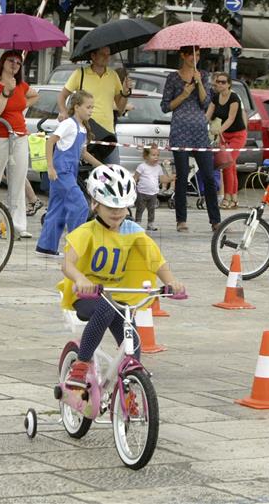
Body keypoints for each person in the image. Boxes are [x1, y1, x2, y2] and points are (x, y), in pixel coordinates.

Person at [58, 164, 183, 389]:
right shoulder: (87, 232)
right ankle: (82, 363)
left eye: (122, 207)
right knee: (107, 306)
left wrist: (171, 281)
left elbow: (156, 260)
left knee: (132, 342)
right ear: (95, 204)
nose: (117, 212)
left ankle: (129, 389)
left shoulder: (133, 231)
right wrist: (80, 279)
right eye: (110, 207)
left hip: (118, 297)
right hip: (87, 296)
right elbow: (67, 263)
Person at [35, 90, 102, 258]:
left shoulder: (82, 129)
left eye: (92, 108)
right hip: (61, 171)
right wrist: (50, 167)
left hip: (69, 172)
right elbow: (50, 141)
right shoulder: (68, 124)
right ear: (76, 107)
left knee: (57, 209)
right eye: (88, 107)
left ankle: (46, 247)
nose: (90, 111)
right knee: (80, 206)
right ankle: (75, 247)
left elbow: (83, 153)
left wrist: (102, 166)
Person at [0, 50, 40, 239]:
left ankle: (17, 225)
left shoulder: (21, 85)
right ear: (3, 62)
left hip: (20, 136)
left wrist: (22, 106)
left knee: (18, 180)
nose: (14, 64)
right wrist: (6, 92)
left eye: (18, 62)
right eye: (11, 61)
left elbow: (34, 95)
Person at [160, 45, 219, 233]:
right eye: (192, 54)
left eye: (198, 54)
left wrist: (200, 83)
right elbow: (165, 106)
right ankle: (181, 219)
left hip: (200, 131)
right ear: (183, 56)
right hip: (180, 130)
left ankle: (215, 220)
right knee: (183, 175)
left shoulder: (202, 75)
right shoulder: (173, 78)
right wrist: (184, 94)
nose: (196, 58)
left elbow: (206, 103)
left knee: (209, 176)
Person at [57, 46, 131, 165]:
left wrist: (126, 94)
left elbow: (121, 109)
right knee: (83, 173)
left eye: (108, 54)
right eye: (103, 54)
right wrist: (63, 112)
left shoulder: (113, 75)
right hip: (84, 131)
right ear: (93, 56)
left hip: (108, 133)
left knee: (112, 172)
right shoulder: (79, 74)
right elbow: (62, 96)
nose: (106, 58)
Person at [206, 71, 247, 209]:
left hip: (237, 135)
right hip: (224, 135)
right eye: (217, 81)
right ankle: (234, 198)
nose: (219, 84)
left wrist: (219, 130)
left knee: (227, 164)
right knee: (230, 166)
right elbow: (207, 115)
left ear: (229, 84)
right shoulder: (215, 97)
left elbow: (231, 118)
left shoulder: (234, 98)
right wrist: (200, 125)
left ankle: (227, 197)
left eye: (223, 82)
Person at [134, 146, 175, 231]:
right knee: (140, 208)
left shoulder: (158, 167)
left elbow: (162, 179)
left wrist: (170, 178)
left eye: (158, 155)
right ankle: (137, 223)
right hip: (142, 192)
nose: (156, 157)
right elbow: (135, 178)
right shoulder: (142, 166)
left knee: (151, 209)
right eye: (153, 155)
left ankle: (150, 224)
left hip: (153, 193)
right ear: (146, 156)